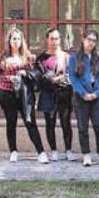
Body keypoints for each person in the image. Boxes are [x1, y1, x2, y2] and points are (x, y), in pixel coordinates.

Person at [0, 27, 49, 164]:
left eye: (18, 39)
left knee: (30, 121)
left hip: (25, 93)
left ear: (22, 40)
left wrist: (26, 73)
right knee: (11, 122)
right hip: (7, 93)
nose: (16, 42)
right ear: (9, 40)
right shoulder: (3, 57)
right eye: (13, 39)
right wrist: (9, 78)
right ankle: (13, 151)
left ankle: (41, 152)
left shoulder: (28, 56)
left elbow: (37, 73)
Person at [68, 30, 99, 166]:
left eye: (94, 40)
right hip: (81, 97)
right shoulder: (74, 58)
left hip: (96, 97)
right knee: (82, 127)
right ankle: (86, 155)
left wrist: (96, 93)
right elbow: (73, 78)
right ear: (83, 40)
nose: (91, 42)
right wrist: (83, 93)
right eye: (89, 39)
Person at [36, 28, 74, 162]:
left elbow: (72, 77)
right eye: (51, 38)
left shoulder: (66, 57)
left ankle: (68, 150)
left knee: (66, 122)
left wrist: (59, 79)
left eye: (57, 38)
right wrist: (49, 80)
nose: (54, 41)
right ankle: (54, 150)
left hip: (64, 94)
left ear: (60, 40)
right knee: (49, 123)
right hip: (48, 94)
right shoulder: (41, 58)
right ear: (47, 40)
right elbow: (39, 78)